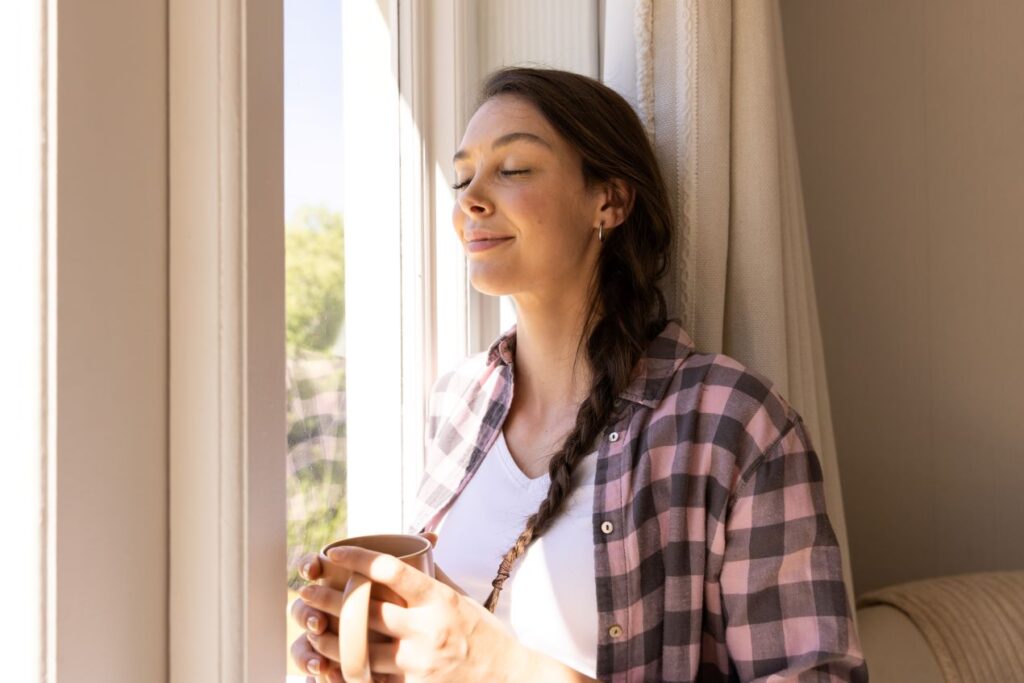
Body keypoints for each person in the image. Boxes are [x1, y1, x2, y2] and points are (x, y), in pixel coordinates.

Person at [289, 66, 869, 682]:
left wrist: (500, 668)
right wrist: (375, 652)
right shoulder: (458, 404)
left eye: (512, 170)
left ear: (609, 201)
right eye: (462, 177)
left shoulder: (732, 424)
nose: (469, 199)